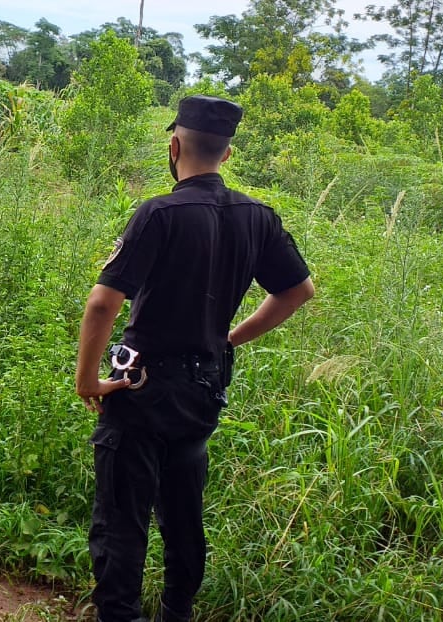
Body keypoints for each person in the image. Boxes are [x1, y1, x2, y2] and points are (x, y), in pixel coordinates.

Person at [73, 95, 315, 622]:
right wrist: (229, 338)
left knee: (122, 518)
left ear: (174, 145)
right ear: (226, 155)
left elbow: (102, 302)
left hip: (139, 390)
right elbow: (298, 291)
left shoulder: (159, 212)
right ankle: (176, 614)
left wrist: (87, 379)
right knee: (184, 514)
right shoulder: (258, 216)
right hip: (204, 390)